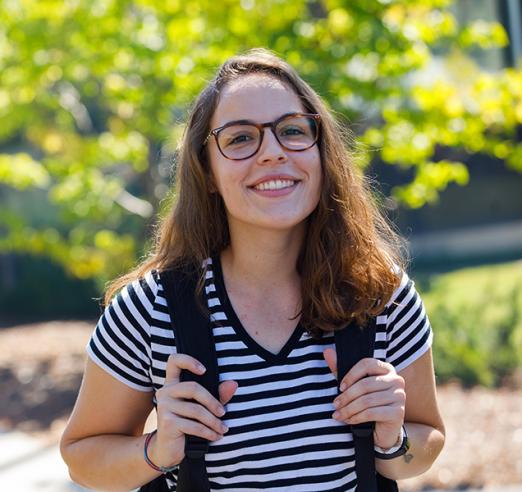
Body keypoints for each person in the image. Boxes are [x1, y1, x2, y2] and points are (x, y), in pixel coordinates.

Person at [60, 48, 445, 491]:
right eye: (241, 138)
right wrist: (155, 450)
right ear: (206, 170)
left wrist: (393, 440)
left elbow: (427, 442)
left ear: (322, 153)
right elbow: (82, 457)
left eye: (293, 131)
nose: (272, 153)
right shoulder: (151, 309)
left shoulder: (379, 292)